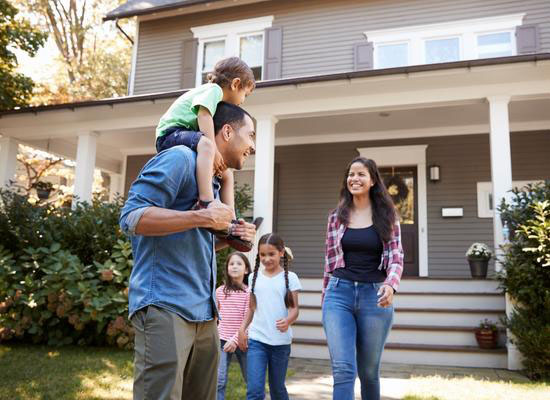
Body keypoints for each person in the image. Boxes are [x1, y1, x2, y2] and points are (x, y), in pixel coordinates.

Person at [119, 102, 257, 400]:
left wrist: (231, 238)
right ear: (228, 131)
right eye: (251, 136)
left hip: (206, 314)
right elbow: (131, 217)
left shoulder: (213, 180)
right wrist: (201, 217)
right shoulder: (179, 158)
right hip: (166, 306)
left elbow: (195, 237)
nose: (253, 146)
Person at [322, 156, 404, 400]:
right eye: (350, 174)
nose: (354, 179)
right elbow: (328, 262)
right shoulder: (336, 217)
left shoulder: (388, 217)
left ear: (372, 181)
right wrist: (326, 298)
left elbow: (396, 257)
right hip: (339, 294)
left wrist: (391, 285)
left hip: (374, 297)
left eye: (360, 174)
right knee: (343, 369)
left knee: (369, 372)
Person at [155, 57, 256, 250]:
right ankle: (206, 201)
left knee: (226, 173)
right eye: (245, 95)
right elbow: (203, 115)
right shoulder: (213, 91)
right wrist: (213, 147)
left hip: (182, 133)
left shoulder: (214, 97)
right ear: (236, 84)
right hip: (170, 132)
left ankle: (232, 223)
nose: (242, 101)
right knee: (206, 146)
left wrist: (231, 232)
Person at [238, 233, 301, 400]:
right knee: (254, 390)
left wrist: (287, 321)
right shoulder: (253, 277)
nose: (266, 259)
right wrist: (242, 329)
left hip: (280, 343)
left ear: (281, 252)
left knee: (277, 390)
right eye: (262, 255)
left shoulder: (291, 278)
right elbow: (251, 309)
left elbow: (295, 310)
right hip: (257, 340)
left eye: (271, 254)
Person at [216, 252, 251, 400]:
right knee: (219, 380)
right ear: (227, 268)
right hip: (221, 341)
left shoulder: (249, 293)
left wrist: (235, 340)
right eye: (231, 264)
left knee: (252, 380)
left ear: (246, 270)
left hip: (243, 341)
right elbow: (215, 318)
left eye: (239, 264)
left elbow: (249, 320)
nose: (235, 267)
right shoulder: (219, 291)